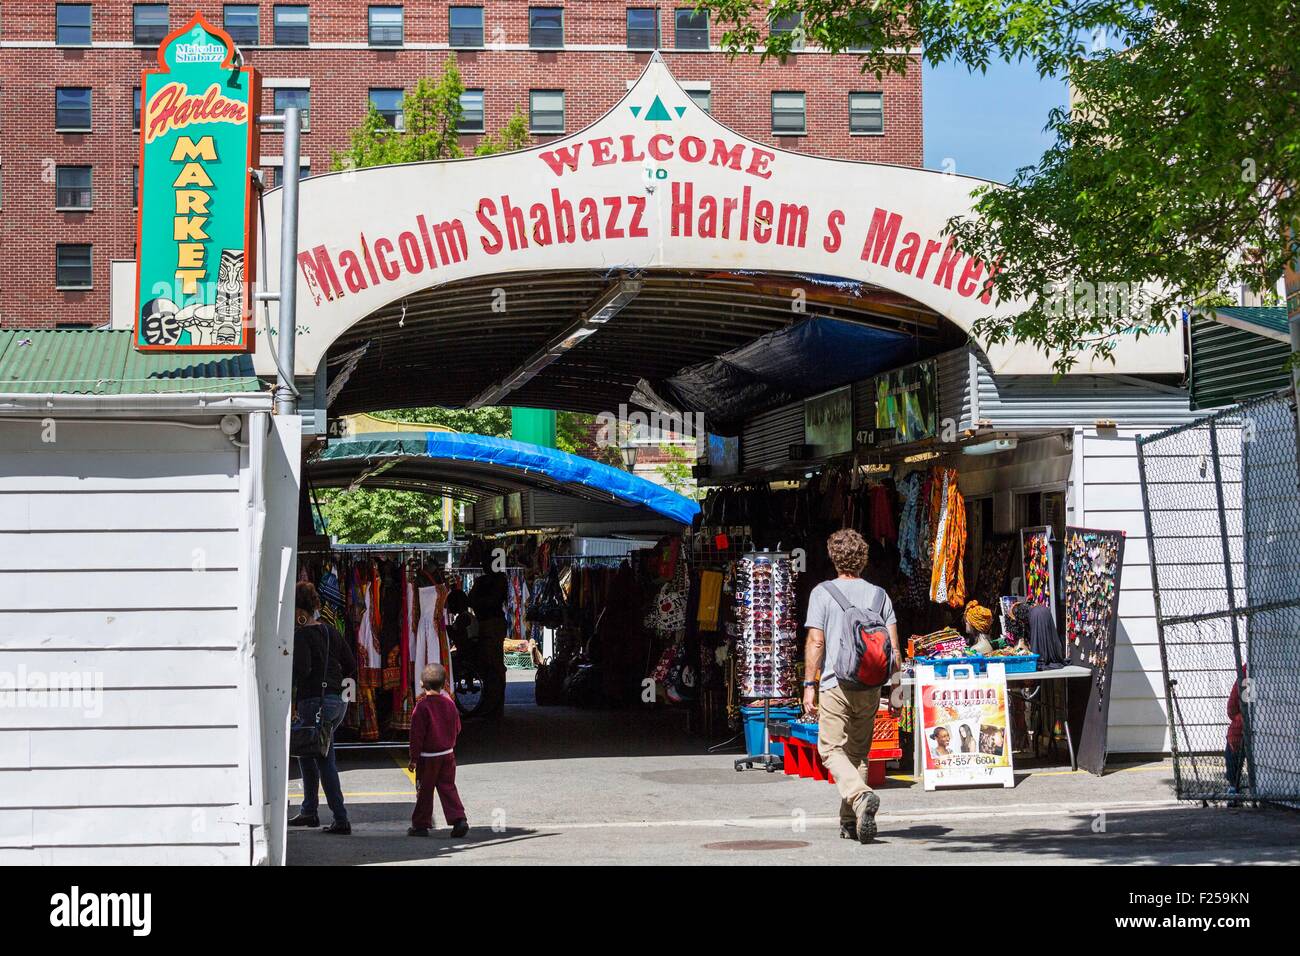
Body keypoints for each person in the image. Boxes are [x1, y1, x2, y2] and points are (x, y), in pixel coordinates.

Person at [803, 528, 901, 844]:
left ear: (833, 558)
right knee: (857, 754)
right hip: (870, 686)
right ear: (863, 559)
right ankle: (851, 821)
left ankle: (859, 798)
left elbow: (816, 641)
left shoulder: (822, 593)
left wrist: (809, 685)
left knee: (830, 749)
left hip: (835, 685)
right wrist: (896, 691)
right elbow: (895, 652)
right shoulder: (879, 596)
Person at [290, 581, 357, 835]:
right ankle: (309, 811)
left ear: (300, 611)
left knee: (323, 758)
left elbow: (303, 669)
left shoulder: (302, 634)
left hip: (314, 702)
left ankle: (341, 818)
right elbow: (351, 663)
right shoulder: (331, 631)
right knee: (307, 753)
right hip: (336, 700)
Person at [407, 665, 469, 838]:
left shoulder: (421, 707)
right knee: (448, 787)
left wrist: (413, 758)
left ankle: (420, 825)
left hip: (427, 758)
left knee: (425, 791)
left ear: (421, 684)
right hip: (447, 754)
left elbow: (416, 736)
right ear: (444, 684)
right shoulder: (450, 704)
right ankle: (459, 819)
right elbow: (457, 727)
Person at [467, 568, 509, 717]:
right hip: (490, 623)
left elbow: (474, 600)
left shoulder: (491, 581)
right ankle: (493, 704)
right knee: (491, 664)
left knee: (493, 664)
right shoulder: (494, 581)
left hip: (490, 623)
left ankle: (495, 705)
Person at [1225, 669, 1246, 794]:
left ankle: (1233, 786)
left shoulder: (1247, 671)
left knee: (1234, 737)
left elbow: (1232, 707)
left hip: (1241, 725)